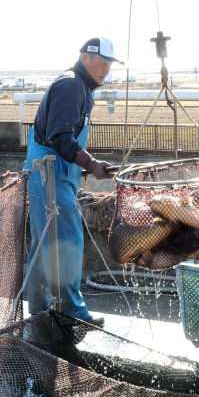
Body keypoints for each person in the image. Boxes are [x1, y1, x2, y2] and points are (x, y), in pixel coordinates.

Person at [24, 37, 122, 327]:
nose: (105, 70)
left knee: (45, 240)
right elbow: (60, 137)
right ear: (85, 58)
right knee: (66, 239)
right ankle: (71, 312)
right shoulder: (71, 85)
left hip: (55, 173)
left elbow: (64, 140)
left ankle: (40, 309)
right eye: (101, 63)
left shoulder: (80, 88)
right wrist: (91, 164)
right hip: (49, 174)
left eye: (109, 65)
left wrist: (89, 166)